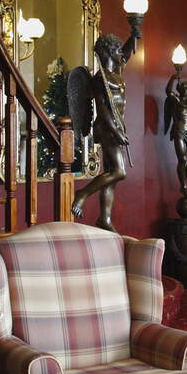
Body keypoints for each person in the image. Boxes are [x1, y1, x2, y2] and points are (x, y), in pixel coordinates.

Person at [68, 27, 139, 232]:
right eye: (117, 50)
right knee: (119, 171)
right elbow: (102, 109)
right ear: (108, 52)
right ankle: (82, 193)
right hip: (107, 128)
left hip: (117, 127)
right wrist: (116, 131)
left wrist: (133, 34)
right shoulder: (101, 78)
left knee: (110, 175)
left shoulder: (116, 73)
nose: (121, 54)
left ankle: (105, 219)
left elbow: (126, 55)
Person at [164, 72, 187, 197]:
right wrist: (172, 78)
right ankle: (184, 185)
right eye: (184, 86)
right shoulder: (176, 100)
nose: (186, 88)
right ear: (179, 89)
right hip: (179, 132)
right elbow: (168, 92)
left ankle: (182, 178)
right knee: (183, 159)